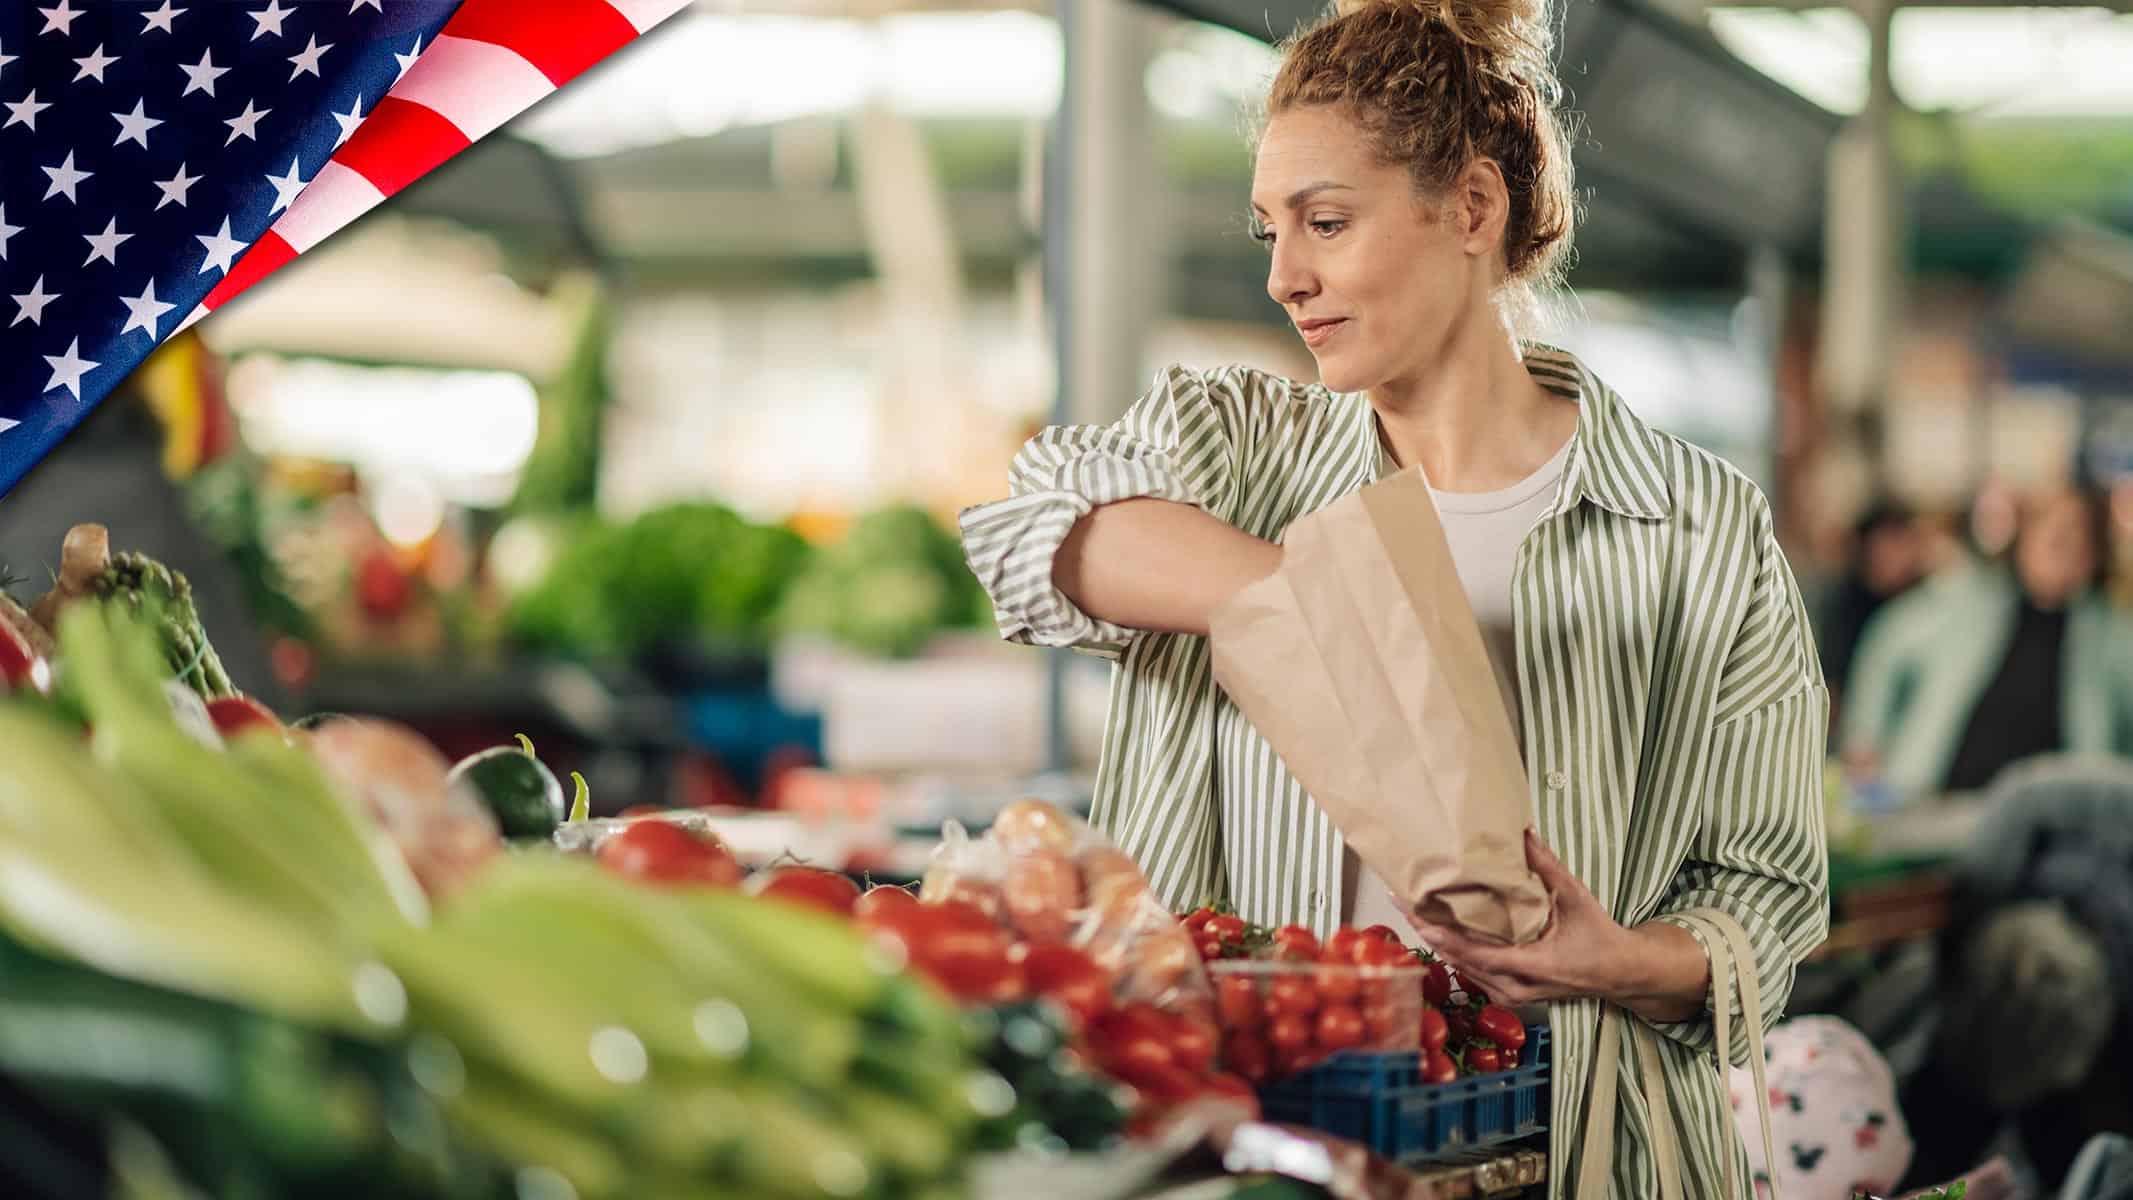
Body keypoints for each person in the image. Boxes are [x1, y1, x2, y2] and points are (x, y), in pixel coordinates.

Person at [957, 0, 1829, 1192]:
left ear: (1472, 208)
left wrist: (1612, 959)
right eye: (1269, 230)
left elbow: (1768, 901)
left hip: (1593, 1149)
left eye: (1324, 223)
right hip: (1278, 1149)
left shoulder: (1696, 526)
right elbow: (1028, 529)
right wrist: (1325, 608)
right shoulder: (1242, 449)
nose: (1282, 276)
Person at [1842, 484, 2133, 799]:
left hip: (2058, 814)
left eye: (2079, 540)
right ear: (2023, 537)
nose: (2065, 550)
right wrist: (1864, 739)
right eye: (2054, 538)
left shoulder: (2108, 633)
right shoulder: (1967, 604)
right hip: (1945, 796)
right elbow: (1885, 648)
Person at [1817, 498, 1928, 725]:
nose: (1887, 560)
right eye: (1878, 551)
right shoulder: (1845, 607)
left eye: (1896, 548)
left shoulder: (1924, 607)